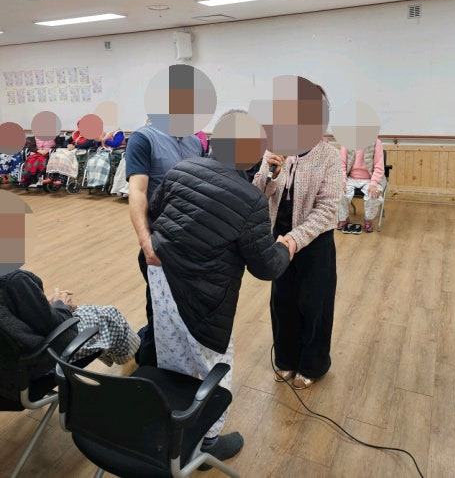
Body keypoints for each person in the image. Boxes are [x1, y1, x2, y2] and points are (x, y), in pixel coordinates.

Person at [146, 139, 292, 467]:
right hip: (204, 297)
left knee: (173, 356)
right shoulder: (251, 200)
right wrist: (285, 247)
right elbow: (266, 267)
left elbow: (155, 211)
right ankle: (207, 442)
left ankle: (175, 433)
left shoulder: (181, 169)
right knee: (216, 365)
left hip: (163, 280)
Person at [252, 79, 341, 390]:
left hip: (315, 243)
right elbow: (258, 194)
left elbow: (327, 209)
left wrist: (296, 239)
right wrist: (271, 173)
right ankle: (287, 359)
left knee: (315, 304)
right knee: (282, 301)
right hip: (279, 239)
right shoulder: (277, 148)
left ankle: (313, 365)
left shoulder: (329, 156)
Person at [125, 122, 204, 365]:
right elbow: (137, 192)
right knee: (160, 313)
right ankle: (149, 367)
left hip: (192, 245)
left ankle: (170, 360)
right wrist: (146, 242)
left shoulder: (195, 142)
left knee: (186, 310)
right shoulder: (143, 138)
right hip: (159, 245)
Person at [0, 269, 140, 379]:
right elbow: (54, 324)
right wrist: (61, 305)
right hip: (35, 364)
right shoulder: (13, 279)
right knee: (109, 315)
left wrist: (39, 303)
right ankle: (136, 374)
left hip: (6, 373)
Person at [337, 139, 386, 233]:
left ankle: (368, 220)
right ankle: (344, 218)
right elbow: (341, 165)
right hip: (350, 178)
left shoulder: (376, 142)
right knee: (339, 191)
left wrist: (373, 184)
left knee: (374, 195)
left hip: (371, 178)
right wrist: (342, 181)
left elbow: (379, 167)